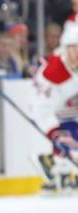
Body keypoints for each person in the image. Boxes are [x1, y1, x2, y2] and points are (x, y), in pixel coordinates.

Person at [32, 26, 78, 192]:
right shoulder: (54, 73)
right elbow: (40, 110)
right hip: (54, 110)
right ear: (68, 49)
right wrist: (55, 133)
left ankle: (59, 167)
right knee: (69, 140)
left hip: (69, 108)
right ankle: (52, 164)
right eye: (76, 48)